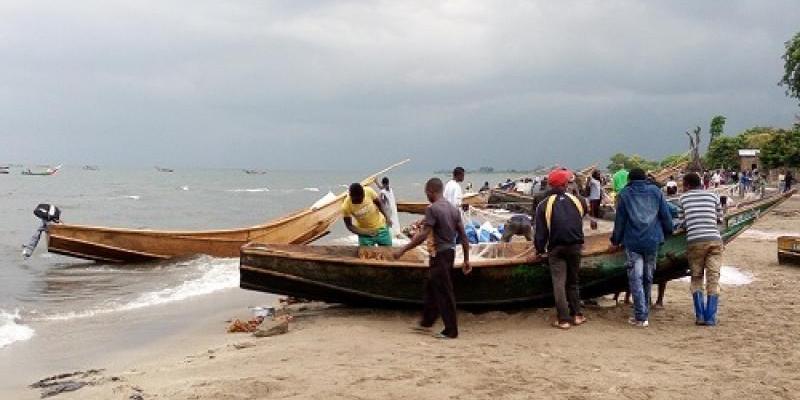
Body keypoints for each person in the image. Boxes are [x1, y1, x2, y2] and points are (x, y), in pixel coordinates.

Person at [393, 178, 471, 339]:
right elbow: (463, 236)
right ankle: (427, 321)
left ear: (430, 191)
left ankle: (451, 331)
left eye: (426, 193)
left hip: (440, 256)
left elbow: (423, 235)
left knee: (444, 292)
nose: (426, 196)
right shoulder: (453, 209)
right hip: (449, 253)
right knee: (431, 286)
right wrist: (466, 259)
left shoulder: (432, 209)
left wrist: (403, 250)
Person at [610, 168, 673, 328]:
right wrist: (669, 232)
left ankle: (641, 316)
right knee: (648, 277)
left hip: (633, 242)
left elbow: (620, 222)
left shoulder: (625, 194)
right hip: (653, 240)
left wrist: (615, 241)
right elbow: (665, 216)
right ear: (645, 178)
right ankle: (644, 313)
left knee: (635, 278)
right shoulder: (656, 191)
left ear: (629, 179)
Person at [534, 169, 588, 330]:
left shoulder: (543, 205)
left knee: (559, 283)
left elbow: (541, 233)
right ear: (566, 184)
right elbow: (579, 218)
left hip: (556, 248)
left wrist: (539, 250)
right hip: (576, 246)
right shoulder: (579, 200)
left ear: (550, 185)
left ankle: (563, 319)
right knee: (573, 282)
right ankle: (577, 315)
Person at [679, 172, 724, 326]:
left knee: (697, 277)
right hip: (714, 241)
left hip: (695, 242)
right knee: (713, 278)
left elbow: (681, 223)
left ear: (688, 185)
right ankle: (710, 318)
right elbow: (720, 219)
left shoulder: (683, 199)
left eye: (683, 185)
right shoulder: (713, 196)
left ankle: (700, 316)